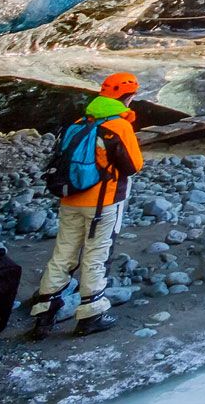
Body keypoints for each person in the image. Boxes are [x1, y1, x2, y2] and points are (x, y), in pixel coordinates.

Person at [25, 72, 144, 339]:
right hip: (103, 202)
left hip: (70, 198)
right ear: (128, 97)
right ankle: (92, 314)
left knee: (63, 253)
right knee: (96, 255)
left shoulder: (79, 122)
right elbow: (133, 166)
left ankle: (44, 313)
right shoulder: (119, 126)